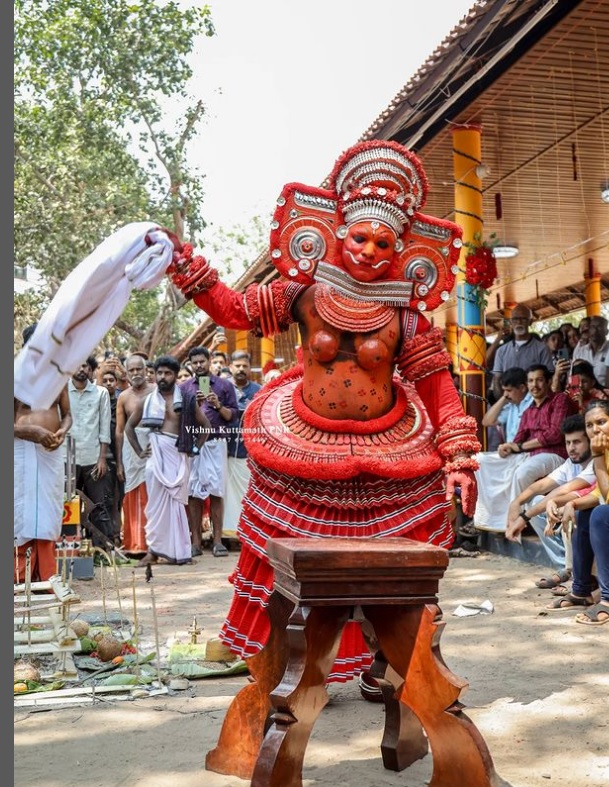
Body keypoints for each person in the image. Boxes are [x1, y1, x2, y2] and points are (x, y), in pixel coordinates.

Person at [166, 139, 481, 681]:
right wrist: (185, 266)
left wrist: (458, 456)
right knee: (291, 569)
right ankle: (286, 668)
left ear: (401, 249)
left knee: (387, 574)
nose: (370, 251)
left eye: (384, 243)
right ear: (338, 234)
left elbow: (436, 385)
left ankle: (385, 664)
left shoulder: (407, 319)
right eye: (360, 237)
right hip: (303, 447)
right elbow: (235, 310)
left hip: (389, 456)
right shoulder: (303, 294)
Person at [544, 401, 609, 623]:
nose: (595, 429)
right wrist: (567, 503)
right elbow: (598, 493)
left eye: (601, 422)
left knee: (602, 515)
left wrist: (596, 457)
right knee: (586, 513)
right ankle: (581, 590)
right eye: (590, 424)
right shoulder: (608, 448)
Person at [125, 355, 210, 565]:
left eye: (168, 373)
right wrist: (138, 451)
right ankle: (153, 551)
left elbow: (206, 427)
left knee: (177, 506)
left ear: (175, 375)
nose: (163, 377)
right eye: (159, 373)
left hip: (178, 456)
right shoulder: (147, 400)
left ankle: (179, 551)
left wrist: (195, 448)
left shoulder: (187, 399)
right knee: (154, 507)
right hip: (155, 457)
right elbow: (129, 427)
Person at [474, 364, 577, 532]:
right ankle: (491, 521)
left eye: (539, 380)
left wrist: (519, 446)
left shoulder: (559, 400)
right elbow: (518, 438)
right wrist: (507, 448)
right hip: (529, 455)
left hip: (554, 455)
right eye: (531, 381)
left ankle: (516, 523)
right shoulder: (529, 410)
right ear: (527, 384)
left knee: (522, 472)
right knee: (480, 460)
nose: (534, 385)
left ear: (549, 381)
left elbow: (554, 435)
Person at [14, 324, 73, 583]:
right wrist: (34, 432)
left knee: (48, 509)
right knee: (20, 509)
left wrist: (61, 431)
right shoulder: (15, 376)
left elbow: (68, 414)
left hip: (51, 451)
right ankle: (20, 574)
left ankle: (47, 576)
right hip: (21, 449)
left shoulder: (61, 375)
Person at [504, 414, 593, 575]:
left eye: (577, 442)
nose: (571, 448)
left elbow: (562, 492)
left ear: (590, 441)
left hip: (587, 513)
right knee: (535, 501)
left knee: (565, 508)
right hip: (570, 507)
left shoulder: (594, 464)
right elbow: (541, 485)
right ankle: (564, 568)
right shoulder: (570, 463)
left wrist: (523, 517)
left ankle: (576, 571)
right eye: (568, 442)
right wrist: (515, 503)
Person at [179, 346, 239, 557]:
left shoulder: (224, 386)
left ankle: (217, 541)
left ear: (209, 360)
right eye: (194, 362)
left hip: (216, 443)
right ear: (190, 364)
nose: (199, 365)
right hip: (194, 445)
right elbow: (177, 418)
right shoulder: (185, 388)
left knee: (216, 492)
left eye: (202, 361)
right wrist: (191, 406)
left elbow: (233, 416)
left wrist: (218, 404)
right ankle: (195, 542)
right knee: (193, 492)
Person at [67, 357, 114, 548]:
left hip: (94, 458)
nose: (81, 368)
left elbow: (105, 428)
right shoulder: (62, 392)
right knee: (68, 505)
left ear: (90, 369)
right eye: (77, 364)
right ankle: (70, 552)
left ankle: (102, 551)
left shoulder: (100, 393)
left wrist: (102, 458)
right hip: (67, 457)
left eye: (85, 365)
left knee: (99, 506)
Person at [115, 354, 156, 556]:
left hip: (155, 448)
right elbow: (119, 431)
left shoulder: (157, 391)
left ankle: (155, 544)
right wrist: (120, 464)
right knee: (133, 495)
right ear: (126, 373)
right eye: (131, 370)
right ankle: (135, 544)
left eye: (138, 369)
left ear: (145, 370)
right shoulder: (123, 397)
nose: (135, 373)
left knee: (153, 495)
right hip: (132, 453)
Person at [222, 350, 262, 539]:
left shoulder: (259, 391)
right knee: (228, 496)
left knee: (248, 494)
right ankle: (229, 535)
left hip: (249, 455)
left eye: (245, 366)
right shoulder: (222, 389)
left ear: (250, 368)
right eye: (237, 366)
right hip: (226, 452)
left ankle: (248, 533)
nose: (241, 369)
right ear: (230, 367)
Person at [491, 305, 554, 398]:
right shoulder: (501, 351)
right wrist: (503, 403)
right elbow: (497, 380)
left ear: (530, 321)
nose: (519, 322)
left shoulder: (542, 349)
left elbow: (549, 379)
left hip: (534, 403)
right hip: (508, 404)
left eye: (523, 319)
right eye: (515, 319)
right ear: (511, 322)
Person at [96, 365, 124, 545]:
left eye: (111, 380)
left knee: (118, 499)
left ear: (116, 383)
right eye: (104, 381)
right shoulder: (98, 400)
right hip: (103, 456)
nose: (108, 383)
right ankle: (106, 537)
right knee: (105, 498)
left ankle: (116, 535)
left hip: (121, 456)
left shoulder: (121, 401)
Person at [481, 366, 532, 448]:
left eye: (509, 390)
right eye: (504, 390)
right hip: (509, 451)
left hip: (525, 450)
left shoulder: (533, 402)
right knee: (478, 458)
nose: (505, 394)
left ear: (522, 388)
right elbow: (487, 422)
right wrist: (503, 399)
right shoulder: (511, 405)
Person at [571, 315, 609, 386]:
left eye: (599, 327)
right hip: (584, 395)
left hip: (606, 395)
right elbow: (573, 375)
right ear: (588, 330)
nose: (595, 331)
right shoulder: (580, 352)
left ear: (606, 332)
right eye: (592, 327)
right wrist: (575, 394)